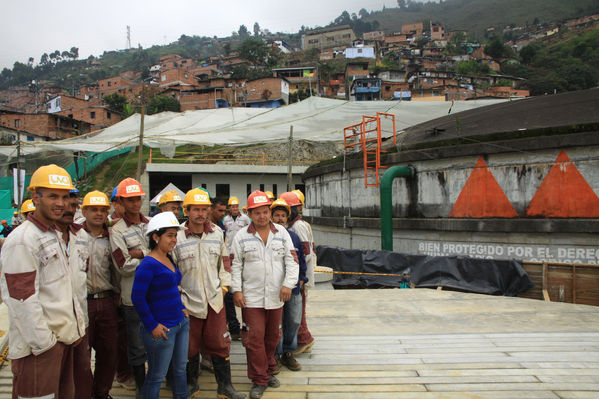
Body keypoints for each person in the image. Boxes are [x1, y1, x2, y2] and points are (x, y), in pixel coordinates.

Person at [0, 164, 86, 399]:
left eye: (63, 196)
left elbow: (64, 289)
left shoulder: (53, 234)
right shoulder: (23, 240)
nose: (60, 203)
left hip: (62, 342)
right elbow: (21, 298)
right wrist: (45, 344)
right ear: (34, 197)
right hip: (39, 350)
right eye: (52, 196)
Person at [173, 189, 245, 399]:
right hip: (188, 303)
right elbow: (172, 272)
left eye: (204, 209)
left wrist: (223, 289)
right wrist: (179, 300)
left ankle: (225, 387)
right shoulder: (176, 237)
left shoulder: (217, 233)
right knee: (189, 348)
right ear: (186, 210)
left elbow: (224, 265)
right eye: (196, 209)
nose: (200, 214)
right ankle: (191, 386)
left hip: (215, 301)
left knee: (220, 344)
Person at [231, 191, 299, 399]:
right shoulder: (241, 236)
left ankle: (268, 370)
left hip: (276, 297)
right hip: (251, 298)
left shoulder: (282, 233)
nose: (262, 216)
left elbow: (292, 261)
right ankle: (259, 379)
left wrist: (288, 284)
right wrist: (237, 290)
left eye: (265, 212)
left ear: (269, 211)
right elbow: (235, 265)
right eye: (257, 213)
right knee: (254, 338)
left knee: (272, 337)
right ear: (250, 213)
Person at [131, 212, 189, 399]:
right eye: (170, 235)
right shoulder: (148, 265)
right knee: (156, 376)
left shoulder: (168, 257)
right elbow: (137, 298)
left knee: (180, 369)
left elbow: (171, 286)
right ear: (155, 237)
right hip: (162, 329)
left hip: (180, 324)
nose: (174, 239)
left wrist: (180, 307)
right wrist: (152, 325)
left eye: (175, 235)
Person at [110, 177, 151, 398]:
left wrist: (138, 254)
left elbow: (168, 252)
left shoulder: (152, 223)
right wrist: (149, 255)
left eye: (138, 199)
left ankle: (154, 383)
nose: (135, 203)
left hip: (156, 295)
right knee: (136, 346)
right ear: (121, 202)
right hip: (133, 297)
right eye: (130, 199)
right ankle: (141, 388)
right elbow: (123, 265)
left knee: (157, 342)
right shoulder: (117, 231)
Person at [80, 191, 120, 399]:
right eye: (93, 209)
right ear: (83, 211)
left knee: (108, 351)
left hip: (106, 301)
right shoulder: (74, 235)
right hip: (81, 302)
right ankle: (84, 393)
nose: (98, 214)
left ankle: (102, 393)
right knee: (82, 354)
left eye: (103, 210)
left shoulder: (112, 237)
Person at [55, 188, 93, 399]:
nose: (69, 209)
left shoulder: (81, 237)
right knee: (55, 379)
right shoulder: (37, 238)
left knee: (81, 372)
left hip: (79, 319)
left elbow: (82, 275)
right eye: (65, 205)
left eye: (73, 205)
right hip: (53, 328)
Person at [270, 198, 308, 372]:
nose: (280, 219)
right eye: (276, 215)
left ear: (287, 217)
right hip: (274, 289)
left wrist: (301, 280)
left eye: (283, 215)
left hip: (293, 288)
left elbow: (300, 261)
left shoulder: (294, 237)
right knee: (276, 323)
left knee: (292, 321)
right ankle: (276, 354)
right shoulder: (268, 237)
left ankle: (288, 352)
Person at [280, 192, 316, 355]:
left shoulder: (297, 227)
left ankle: (304, 339)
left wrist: (301, 278)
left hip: (300, 277)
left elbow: (305, 253)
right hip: (298, 276)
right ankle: (302, 339)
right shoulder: (294, 226)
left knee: (297, 313)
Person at [211, 197, 241, 342]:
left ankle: (233, 329)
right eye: (219, 210)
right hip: (210, 274)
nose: (223, 213)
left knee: (227, 300)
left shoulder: (220, 227)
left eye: (224, 210)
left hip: (224, 265)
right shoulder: (221, 225)